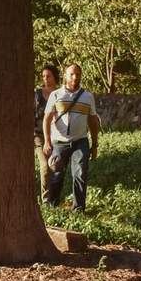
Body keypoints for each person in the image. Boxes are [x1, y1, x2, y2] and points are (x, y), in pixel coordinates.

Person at [41, 63, 101, 212]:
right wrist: (47, 141)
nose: (75, 77)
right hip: (59, 143)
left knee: (80, 173)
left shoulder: (87, 97)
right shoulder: (56, 95)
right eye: (72, 74)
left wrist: (95, 145)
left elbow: (93, 122)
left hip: (80, 141)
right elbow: (47, 119)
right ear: (65, 76)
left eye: (78, 74)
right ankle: (51, 208)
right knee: (57, 175)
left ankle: (78, 210)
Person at [34, 65, 61, 202]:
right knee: (44, 166)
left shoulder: (61, 94)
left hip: (57, 135)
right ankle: (45, 201)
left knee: (55, 167)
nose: (45, 79)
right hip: (39, 136)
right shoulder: (37, 94)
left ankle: (54, 199)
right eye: (43, 76)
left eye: (48, 76)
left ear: (55, 76)